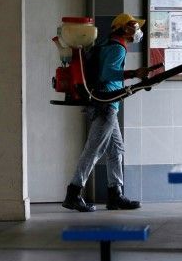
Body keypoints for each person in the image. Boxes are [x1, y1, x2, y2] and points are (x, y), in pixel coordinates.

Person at [62, 13, 153, 212]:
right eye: (134, 26)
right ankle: (73, 193)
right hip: (106, 104)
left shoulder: (106, 44)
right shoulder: (117, 48)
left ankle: (115, 195)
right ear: (123, 29)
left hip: (104, 103)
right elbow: (107, 73)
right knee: (94, 150)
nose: (137, 30)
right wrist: (134, 74)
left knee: (116, 150)